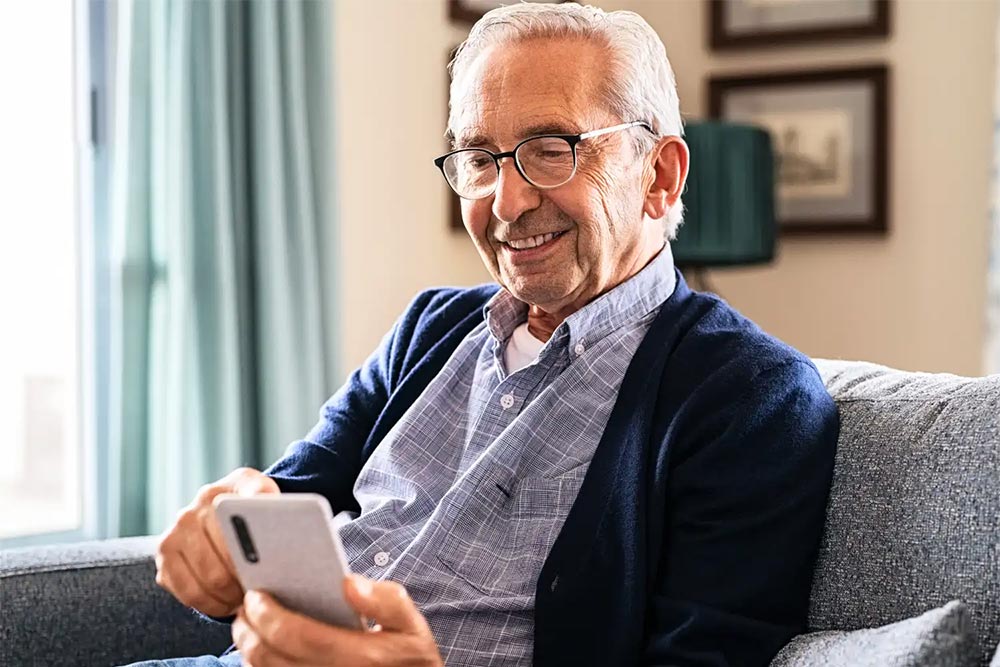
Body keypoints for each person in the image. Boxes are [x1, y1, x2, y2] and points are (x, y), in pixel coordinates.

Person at [131, 3, 839, 666]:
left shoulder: (752, 397)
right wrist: (226, 531)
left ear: (659, 174)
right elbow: (284, 503)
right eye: (479, 158)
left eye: (551, 148)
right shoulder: (429, 328)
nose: (506, 202)